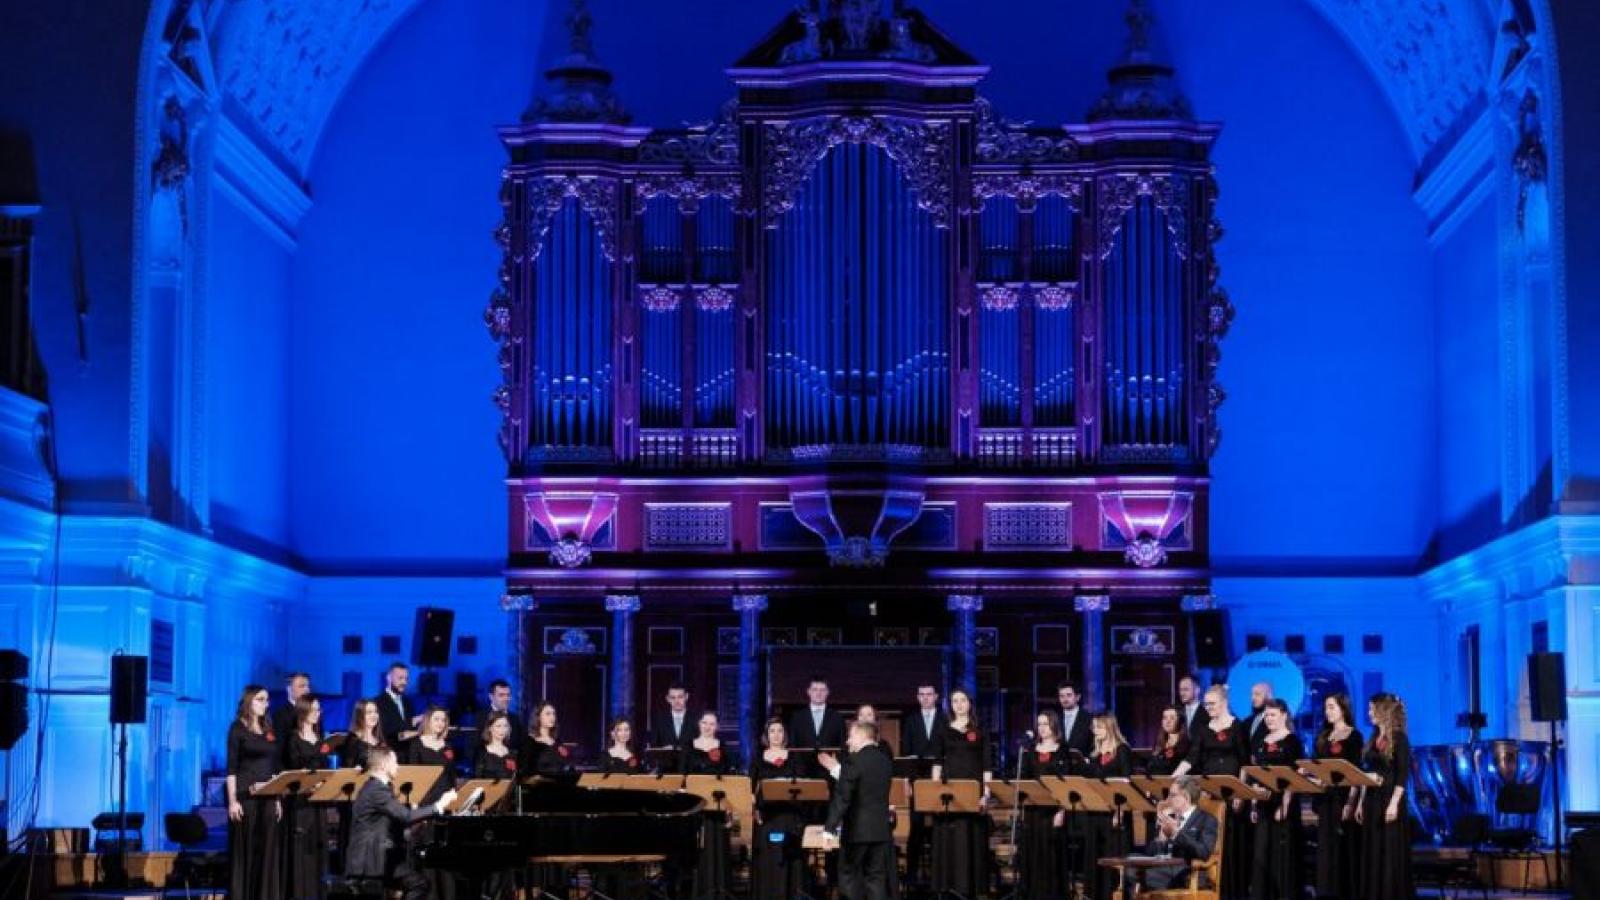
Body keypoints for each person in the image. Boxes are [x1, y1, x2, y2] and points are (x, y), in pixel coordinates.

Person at [344, 744, 457, 900]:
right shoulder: (376, 790)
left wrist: (414, 829)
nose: (398, 767)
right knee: (418, 884)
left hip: (380, 857)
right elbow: (406, 816)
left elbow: (389, 827)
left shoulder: (378, 788)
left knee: (419, 883)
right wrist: (440, 804)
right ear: (383, 765)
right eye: (395, 762)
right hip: (370, 861)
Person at [1171, 684, 1251, 899]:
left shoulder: (1238, 727)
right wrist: (1173, 778)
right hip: (1209, 794)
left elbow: (1245, 763)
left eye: (1212, 703)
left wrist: (1240, 793)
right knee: (1211, 841)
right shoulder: (1204, 729)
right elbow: (1191, 758)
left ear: (1224, 703)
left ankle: (1233, 892)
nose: (1208, 708)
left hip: (1232, 794)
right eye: (1206, 704)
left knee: (1232, 843)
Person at [822, 721, 894, 900]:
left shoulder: (853, 761)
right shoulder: (885, 761)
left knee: (849, 878)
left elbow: (843, 797)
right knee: (876, 879)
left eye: (851, 736)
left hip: (857, 833)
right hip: (880, 831)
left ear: (862, 736)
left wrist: (829, 829)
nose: (847, 741)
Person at [930, 688, 991, 899]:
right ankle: (949, 887)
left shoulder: (980, 730)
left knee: (971, 838)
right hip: (949, 793)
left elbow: (987, 766)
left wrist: (987, 793)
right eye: (954, 701)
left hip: (973, 793)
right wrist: (934, 792)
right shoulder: (943, 730)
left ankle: (970, 888)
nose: (959, 704)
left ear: (970, 703)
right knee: (950, 838)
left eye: (962, 700)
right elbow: (937, 763)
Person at [227, 685, 281, 900]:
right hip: (246, 797)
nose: (265, 703)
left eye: (266, 699)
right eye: (260, 699)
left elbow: (273, 766)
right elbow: (231, 769)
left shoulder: (268, 728)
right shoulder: (237, 729)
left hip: (268, 797)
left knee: (266, 852)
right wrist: (232, 801)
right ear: (249, 701)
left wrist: (277, 797)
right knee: (247, 852)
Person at [1357, 693, 1413, 899]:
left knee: (1388, 849)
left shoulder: (1399, 738)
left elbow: (1402, 774)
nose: (1369, 713)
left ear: (1384, 710)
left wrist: (1394, 804)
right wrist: (1361, 802)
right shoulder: (1373, 737)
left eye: (1372, 709)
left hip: (1389, 799)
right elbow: (1367, 770)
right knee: (1373, 848)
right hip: (1372, 799)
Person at [1310, 693, 1364, 899]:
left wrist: (1351, 802)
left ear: (1343, 709)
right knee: (1325, 848)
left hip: (1343, 798)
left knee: (1343, 847)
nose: (1327, 711)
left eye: (1332, 707)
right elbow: (1317, 766)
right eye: (1326, 707)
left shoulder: (1354, 736)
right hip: (1325, 798)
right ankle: (1325, 893)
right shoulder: (1323, 736)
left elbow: (1355, 772)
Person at [1248, 699, 1303, 900]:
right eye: (1266, 715)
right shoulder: (1262, 741)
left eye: (1273, 715)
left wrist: (1285, 804)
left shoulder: (1292, 741)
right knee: (1262, 852)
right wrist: (1253, 803)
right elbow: (1256, 775)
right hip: (1263, 802)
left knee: (1282, 852)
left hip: (1283, 804)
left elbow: (1294, 776)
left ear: (1284, 715)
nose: (1269, 719)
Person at [404, 706, 460, 900]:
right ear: (427, 721)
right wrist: (415, 809)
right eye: (436, 719)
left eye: (443, 720)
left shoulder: (448, 747)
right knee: (427, 854)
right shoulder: (416, 744)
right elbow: (412, 778)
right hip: (426, 805)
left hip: (445, 805)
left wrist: (454, 801)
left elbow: (452, 778)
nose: (440, 723)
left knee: (445, 855)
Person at [684, 711, 739, 900]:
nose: (708, 727)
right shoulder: (689, 747)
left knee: (720, 848)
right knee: (701, 850)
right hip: (698, 809)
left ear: (717, 727)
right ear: (699, 724)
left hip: (718, 809)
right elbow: (683, 777)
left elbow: (730, 779)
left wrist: (731, 808)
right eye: (705, 723)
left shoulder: (722, 748)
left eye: (712, 724)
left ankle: (721, 892)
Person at [751, 718, 806, 900]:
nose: (776, 735)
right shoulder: (758, 759)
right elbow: (751, 789)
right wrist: (754, 808)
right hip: (767, 817)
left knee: (788, 857)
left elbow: (803, 786)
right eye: (772, 731)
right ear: (766, 735)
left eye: (780, 731)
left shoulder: (795, 758)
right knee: (769, 858)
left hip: (789, 816)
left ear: (785, 735)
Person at [1080, 713, 1133, 900]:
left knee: (1112, 856)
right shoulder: (1094, 754)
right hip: (1095, 812)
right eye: (1094, 727)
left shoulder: (1122, 750)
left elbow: (1127, 782)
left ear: (1109, 728)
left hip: (1115, 812)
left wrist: (1119, 813)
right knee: (1095, 855)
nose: (1095, 731)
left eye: (1099, 727)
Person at [1017, 711, 1069, 900]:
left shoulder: (1062, 749)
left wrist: (1062, 810)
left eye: (1046, 723)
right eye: (1039, 724)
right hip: (1033, 809)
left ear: (1054, 725)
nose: (1042, 728)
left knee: (1052, 855)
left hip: (1054, 811)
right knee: (1033, 853)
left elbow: (1067, 784)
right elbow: (1024, 779)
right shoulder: (1030, 751)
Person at [284, 694, 330, 900]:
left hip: (318, 801)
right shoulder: (293, 738)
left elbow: (326, 767)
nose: (318, 714)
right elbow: (293, 769)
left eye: (319, 710)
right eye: (314, 710)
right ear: (303, 712)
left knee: (318, 847)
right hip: (300, 803)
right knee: (302, 849)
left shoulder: (321, 740)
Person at [1139, 776, 1219, 892]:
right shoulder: (1169, 818)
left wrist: (1176, 834)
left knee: (1139, 877)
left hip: (1188, 873)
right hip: (1164, 870)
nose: (1168, 799)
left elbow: (1204, 852)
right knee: (1131, 871)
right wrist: (1161, 838)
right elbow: (1150, 854)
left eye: (1172, 795)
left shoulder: (1207, 820)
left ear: (1185, 797)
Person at [789, 677, 847, 751]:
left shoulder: (837, 718)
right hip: (803, 761)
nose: (818, 693)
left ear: (827, 692)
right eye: (815, 689)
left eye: (822, 690)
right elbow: (793, 745)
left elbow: (842, 745)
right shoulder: (797, 718)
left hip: (830, 761)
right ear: (808, 691)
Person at [376, 662, 417, 746]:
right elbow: (388, 732)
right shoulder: (378, 702)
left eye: (406, 679)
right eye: (400, 678)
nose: (404, 682)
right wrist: (414, 721)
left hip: (409, 753)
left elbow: (410, 729)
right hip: (388, 753)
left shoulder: (408, 702)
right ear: (389, 678)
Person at [901, 683, 947, 760]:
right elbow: (906, 746)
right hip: (917, 766)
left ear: (936, 696)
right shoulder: (910, 720)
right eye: (922, 694)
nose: (925, 698)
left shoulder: (946, 719)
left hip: (942, 764)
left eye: (929, 694)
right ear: (918, 697)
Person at [273, 672, 311, 756]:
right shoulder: (280, 715)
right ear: (289, 689)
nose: (307, 690)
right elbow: (279, 747)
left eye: (308, 686)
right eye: (302, 686)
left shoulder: (315, 712)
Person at [1147, 704, 1191, 776]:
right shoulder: (1159, 742)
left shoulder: (1186, 744)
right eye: (1165, 718)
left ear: (1180, 721)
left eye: (1172, 718)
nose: (1167, 721)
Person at [341, 699, 384, 771]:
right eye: (369, 712)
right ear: (360, 715)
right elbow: (347, 769)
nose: (374, 715)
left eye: (376, 711)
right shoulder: (353, 739)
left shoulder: (380, 739)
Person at [473, 710, 518, 779]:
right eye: (498, 726)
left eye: (505, 726)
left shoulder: (512, 752)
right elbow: (478, 779)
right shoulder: (482, 753)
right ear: (490, 728)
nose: (502, 730)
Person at [649, 683, 694, 750]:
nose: (677, 701)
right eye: (673, 697)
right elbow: (654, 746)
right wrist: (663, 750)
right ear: (668, 699)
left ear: (686, 697)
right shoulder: (659, 720)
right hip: (666, 759)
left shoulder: (697, 719)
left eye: (680, 697)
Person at [1057, 680, 1093, 759]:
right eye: (1061, 696)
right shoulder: (1055, 719)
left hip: (1082, 767)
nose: (1065, 699)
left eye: (1069, 695)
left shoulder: (1088, 719)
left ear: (1078, 697)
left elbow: (1093, 745)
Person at [1178, 674, 1209, 740]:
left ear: (1197, 690)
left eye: (1186, 689)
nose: (1182, 693)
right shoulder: (1177, 713)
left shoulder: (1207, 714)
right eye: (1180, 690)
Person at [1245, 682, 1273, 749]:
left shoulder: (1277, 720)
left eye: (1257, 694)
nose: (1253, 698)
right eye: (1252, 694)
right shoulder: (1247, 722)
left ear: (1268, 696)